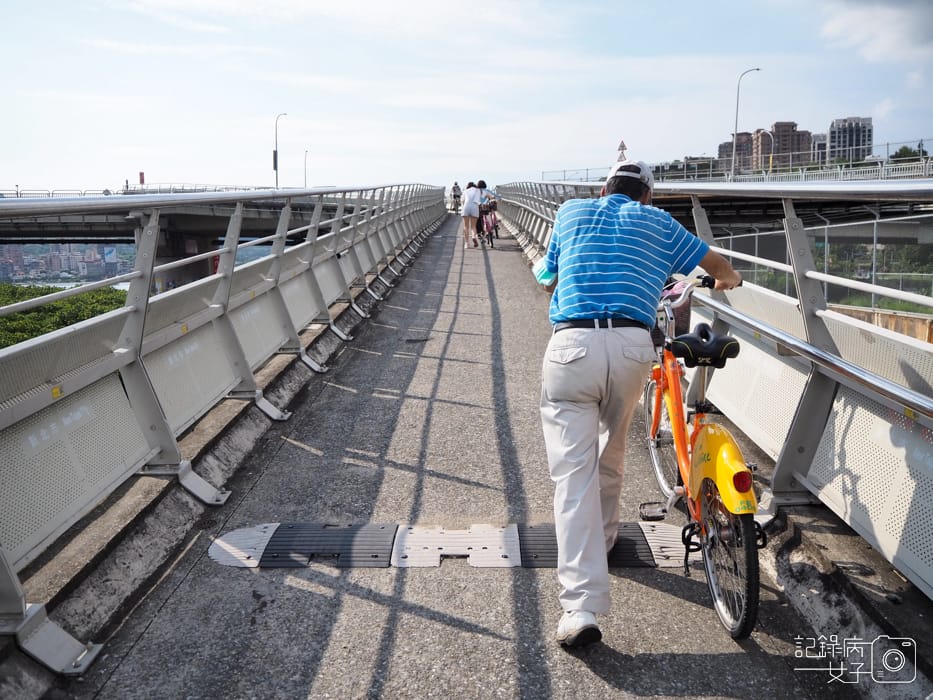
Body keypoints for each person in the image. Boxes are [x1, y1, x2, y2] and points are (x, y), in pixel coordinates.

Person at [538, 159, 741, 649]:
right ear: (647, 195)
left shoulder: (569, 213)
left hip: (571, 348)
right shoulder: (659, 223)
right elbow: (718, 267)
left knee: (572, 476)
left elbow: (547, 277)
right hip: (632, 348)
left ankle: (580, 607)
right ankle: (605, 539)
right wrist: (724, 281)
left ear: (604, 188)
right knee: (611, 450)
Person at [461, 180, 495, 249]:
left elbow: (462, 201)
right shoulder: (478, 191)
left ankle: (466, 244)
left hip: (466, 207)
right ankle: (474, 236)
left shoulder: (465, 191)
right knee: (473, 226)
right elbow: (489, 196)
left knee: (466, 226)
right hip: (474, 207)